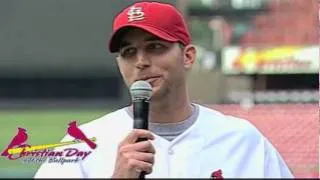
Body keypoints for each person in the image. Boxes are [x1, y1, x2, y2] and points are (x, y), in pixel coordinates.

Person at [34, 1, 294, 178]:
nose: (141, 61)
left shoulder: (243, 140)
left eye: (155, 47)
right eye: (128, 52)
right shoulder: (82, 144)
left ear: (188, 56)